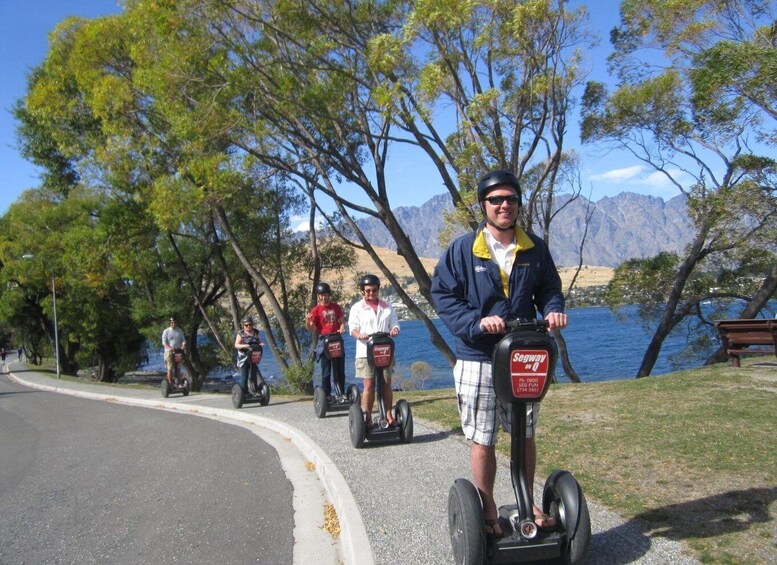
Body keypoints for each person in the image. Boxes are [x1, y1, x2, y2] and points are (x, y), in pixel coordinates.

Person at [431, 169, 568, 538]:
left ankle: (526, 502)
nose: (504, 205)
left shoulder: (534, 248)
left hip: (523, 353)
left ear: (518, 204)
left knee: (525, 433)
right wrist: (477, 322)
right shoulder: (463, 249)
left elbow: (550, 289)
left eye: (510, 199)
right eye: (496, 200)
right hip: (478, 356)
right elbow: (443, 295)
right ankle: (488, 505)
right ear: (483, 205)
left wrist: (553, 309)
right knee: (483, 436)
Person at [348, 274, 400, 427]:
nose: (371, 293)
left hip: (384, 350)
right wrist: (360, 334)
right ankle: (368, 416)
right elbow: (352, 329)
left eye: (374, 290)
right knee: (369, 385)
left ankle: (388, 413)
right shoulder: (357, 308)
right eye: (368, 291)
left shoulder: (387, 306)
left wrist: (395, 330)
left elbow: (395, 324)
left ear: (378, 290)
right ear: (362, 291)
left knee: (386, 383)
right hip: (365, 352)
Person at [305, 282, 346, 398]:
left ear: (329, 295)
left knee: (339, 370)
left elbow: (342, 321)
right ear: (318, 296)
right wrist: (307, 321)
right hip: (324, 340)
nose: (324, 297)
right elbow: (311, 328)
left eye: (326, 294)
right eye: (321, 295)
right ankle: (327, 395)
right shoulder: (316, 310)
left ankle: (341, 393)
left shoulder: (335, 307)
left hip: (336, 338)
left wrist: (342, 327)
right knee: (326, 371)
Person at [234, 317, 265, 393]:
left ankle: (256, 390)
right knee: (245, 375)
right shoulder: (240, 334)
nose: (248, 326)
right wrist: (244, 346)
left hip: (253, 357)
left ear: (252, 325)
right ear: (243, 325)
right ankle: (244, 392)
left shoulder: (255, 332)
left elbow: (259, 342)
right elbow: (236, 345)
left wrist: (261, 344)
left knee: (254, 374)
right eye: (246, 325)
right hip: (244, 358)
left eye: (250, 324)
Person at [161, 317, 187, 387]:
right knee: (170, 368)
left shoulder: (180, 331)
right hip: (169, 352)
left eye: (175, 322)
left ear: (176, 323)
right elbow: (164, 342)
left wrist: (183, 345)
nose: (173, 324)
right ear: (170, 323)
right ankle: (170, 383)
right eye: (172, 322)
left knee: (178, 367)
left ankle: (179, 382)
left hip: (178, 351)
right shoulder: (166, 331)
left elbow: (183, 340)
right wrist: (169, 348)